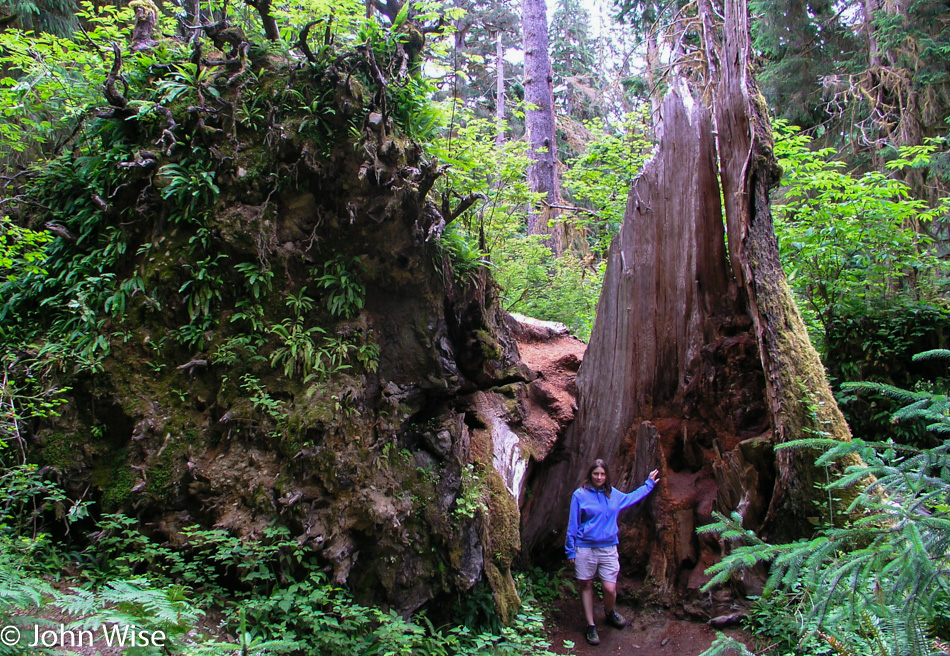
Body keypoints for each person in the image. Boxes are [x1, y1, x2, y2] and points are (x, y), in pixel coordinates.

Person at [565, 459, 659, 646]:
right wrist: (570, 551)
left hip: (608, 548)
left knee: (609, 588)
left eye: (602, 474)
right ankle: (591, 625)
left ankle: (609, 612)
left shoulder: (612, 494)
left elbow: (632, 497)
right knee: (586, 585)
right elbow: (573, 524)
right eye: (595, 474)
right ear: (590, 475)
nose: (599, 477)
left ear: (606, 476)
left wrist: (649, 484)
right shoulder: (580, 495)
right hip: (585, 547)